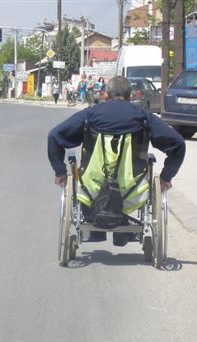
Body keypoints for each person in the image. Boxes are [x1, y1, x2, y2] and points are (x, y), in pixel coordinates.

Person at [47, 76, 185, 246]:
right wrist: (166, 176)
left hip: (92, 187)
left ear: (106, 95)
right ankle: (123, 226)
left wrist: (59, 171)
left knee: (82, 181)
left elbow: (54, 136)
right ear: (131, 96)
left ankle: (94, 225)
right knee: (132, 179)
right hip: (132, 188)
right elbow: (178, 143)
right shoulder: (143, 117)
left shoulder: (90, 115)